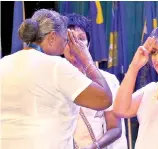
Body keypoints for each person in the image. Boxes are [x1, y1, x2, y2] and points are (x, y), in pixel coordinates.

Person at [0, 9, 113, 149]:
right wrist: (87, 60)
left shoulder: (3, 63)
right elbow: (104, 99)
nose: (67, 45)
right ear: (52, 37)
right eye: (66, 39)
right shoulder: (56, 66)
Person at [63, 13, 128, 149]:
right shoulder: (55, 78)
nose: (75, 45)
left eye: (81, 39)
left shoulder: (108, 80)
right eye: (69, 40)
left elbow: (115, 128)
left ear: (89, 44)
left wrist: (94, 146)